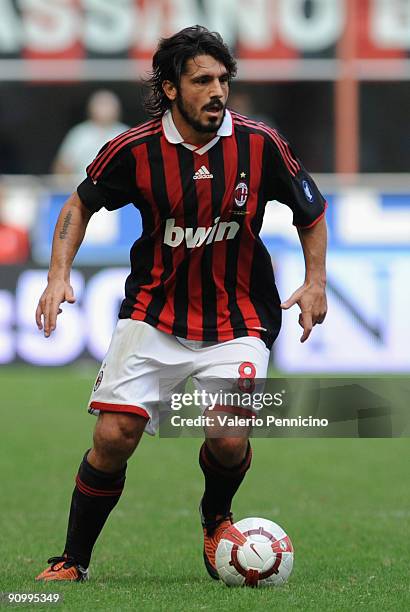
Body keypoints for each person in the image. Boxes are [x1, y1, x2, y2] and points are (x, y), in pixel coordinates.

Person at [35, 25, 327, 582]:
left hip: (238, 317)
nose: (217, 91)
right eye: (201, 81)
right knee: (113, 437)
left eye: (223, 79)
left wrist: (315, 282)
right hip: (154, 313)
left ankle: (216, 518)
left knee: (227, 433)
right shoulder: (134, 149)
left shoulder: (260, 143)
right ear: (170, 88)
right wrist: (57, 274)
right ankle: (73, 560)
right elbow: (80, 203)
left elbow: (310, 212)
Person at [52, 90, 129, 177]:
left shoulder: (125, 133)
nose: (104, 109)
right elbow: (62, 166)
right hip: (82, 186)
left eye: (108, 105)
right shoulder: (79, 133)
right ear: (90, 108)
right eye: (101, 104)